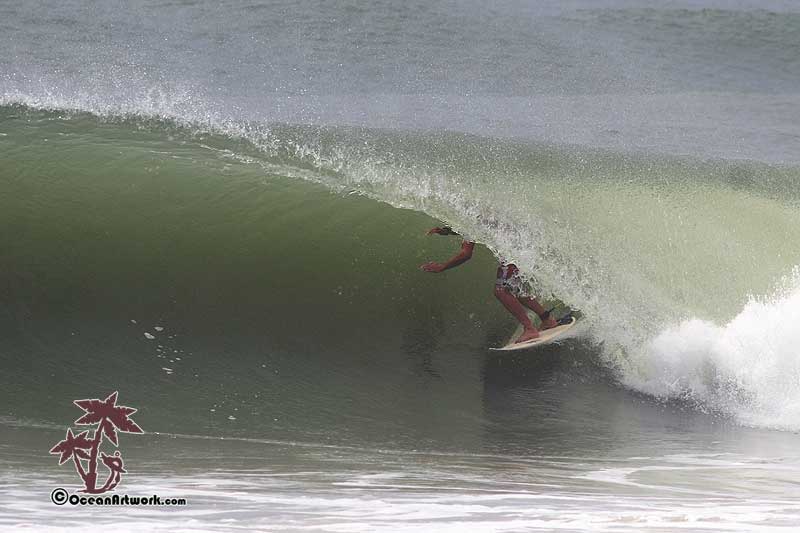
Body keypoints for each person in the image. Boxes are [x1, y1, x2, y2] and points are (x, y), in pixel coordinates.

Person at [420, 226, 558, 344]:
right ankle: (547, 320)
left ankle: (529, 329)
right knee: (515, 289)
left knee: (501, 290)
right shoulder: (478, 209)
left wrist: (442, 267)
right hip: (525, 248)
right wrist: (446, 231)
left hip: (515, 252)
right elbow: (473, 227)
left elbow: (466, 254)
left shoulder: (470, 218)